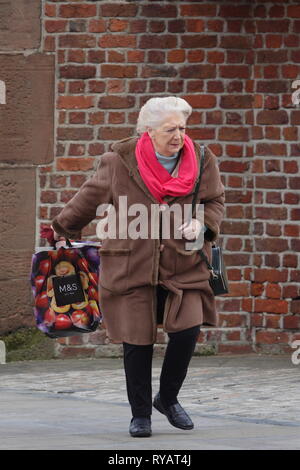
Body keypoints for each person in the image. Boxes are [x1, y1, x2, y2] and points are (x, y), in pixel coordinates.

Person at [51, 96, 225, 438]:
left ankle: (169, 397)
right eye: (170, 129)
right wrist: (61, 229)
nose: (179, 136)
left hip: (184, 263)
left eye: (182, 128)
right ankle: (140, 414)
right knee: (137, 341)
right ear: (148, 131)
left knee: (187, 331)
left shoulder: (203, 160)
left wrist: (202, 223)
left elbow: (214, 199)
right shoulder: (118, 161)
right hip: (131, 263)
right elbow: (89, 197)